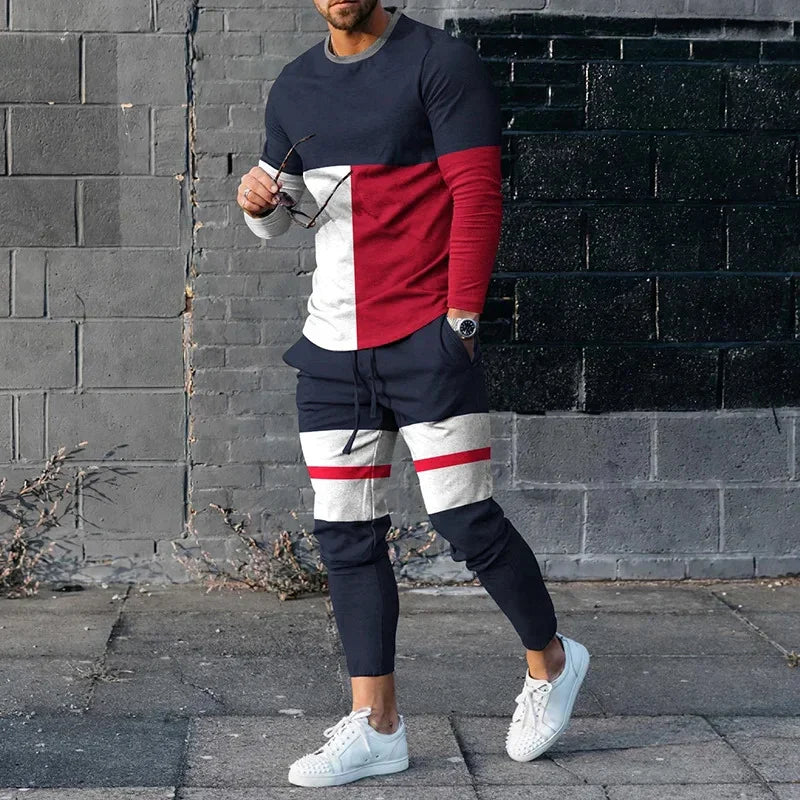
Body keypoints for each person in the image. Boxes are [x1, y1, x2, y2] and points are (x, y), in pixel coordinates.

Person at [236, 0, 590, 788]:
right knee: (346, 534)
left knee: (466, 520)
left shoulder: (439, 62)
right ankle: (378, 727)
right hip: (332, 349)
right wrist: (259, 205)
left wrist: (459, 322)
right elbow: (286, 215)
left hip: (426, 340)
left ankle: (552, 662)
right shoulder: (295, 85)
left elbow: (478, 195)